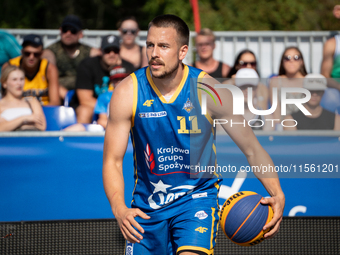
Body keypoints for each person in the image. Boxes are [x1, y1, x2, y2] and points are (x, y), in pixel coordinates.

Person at [103, 14, 285, 255]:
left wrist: (277, 192)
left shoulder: (210, 90)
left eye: (164, 46)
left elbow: (252, 149)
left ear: (182, 51)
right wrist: (119, 208)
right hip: (147, 208)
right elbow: (112, 161)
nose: (154, 53)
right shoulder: (128, 91)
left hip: (196, 200)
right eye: (150, 45)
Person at [74, 35, 134, 123]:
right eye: (107, 51)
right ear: (100, 51)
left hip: (121, 107)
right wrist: (107, 109)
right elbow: (85, 100)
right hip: (95, 107)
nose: (112, 54)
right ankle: (84, 137)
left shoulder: (128, 68)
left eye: (115, 50)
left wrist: (117, 68)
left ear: (120, 51)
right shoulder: (87, 65)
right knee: (84, 111)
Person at [42, 15, 101, 100]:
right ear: (60, 31)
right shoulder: (51, 51)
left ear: (80, 34)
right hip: (58, 94)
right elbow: (46, 73)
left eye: (73, 30)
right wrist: (67, 96)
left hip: (85, 94)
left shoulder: (89, 51)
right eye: (65, 30)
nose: (68, 33)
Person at [2, 34, 60, 105]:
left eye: (36, 54)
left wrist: (37, 113)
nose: (31, 57)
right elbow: (5, 99)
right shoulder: (10, 66)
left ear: (41, 54)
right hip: (16, 110)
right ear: (22, 52)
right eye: (27, 53)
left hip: (45, 111)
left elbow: (55, 102)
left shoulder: (49, 68)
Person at [0, 65, 46, 131]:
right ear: (4, 83)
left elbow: (41, 126)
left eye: (21, 79)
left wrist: (9, 125)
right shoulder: (1, 105)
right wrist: (24, 119)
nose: (19, 83)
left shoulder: (32, 102)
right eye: (14, 79)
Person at [269, 46, 308, 123]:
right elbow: (276, 115)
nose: (291, 61)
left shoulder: (309, 81)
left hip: (306, 125)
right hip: (284, 127)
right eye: (287, 58)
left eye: (296, 57)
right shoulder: (275, 82)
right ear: (282, 62)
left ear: (301, 61)